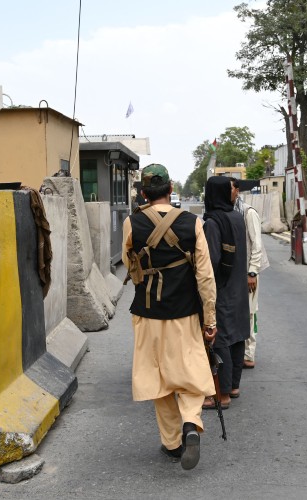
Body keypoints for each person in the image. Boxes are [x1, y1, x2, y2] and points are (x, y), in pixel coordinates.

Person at [122, 164, 217, 471]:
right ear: (171, 188)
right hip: (185, 313)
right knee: (189, 374)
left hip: (147, 314)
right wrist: (210, 320)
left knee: (158, 379)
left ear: (143, 193)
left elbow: (129, 264)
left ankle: (173, 443)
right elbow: (205, 276)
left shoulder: (131, 223)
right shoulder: (193, 223)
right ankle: (191, 424)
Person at [202, 176, 250, 408]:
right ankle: (233, 385)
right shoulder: (237, 217)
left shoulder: (213, 223)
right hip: (239, 286)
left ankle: (221, 395)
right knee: (237, 336)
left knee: (219, 337)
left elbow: (210, 261)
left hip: (221, 288)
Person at [229, 177, 269, 370]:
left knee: (250, 312)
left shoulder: (248, 212)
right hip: (234, 274)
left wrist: (252, 272)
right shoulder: (227, 212)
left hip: (248, 272)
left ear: (237, 190)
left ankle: (248, 353)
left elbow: (257, 245)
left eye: (230, 189)